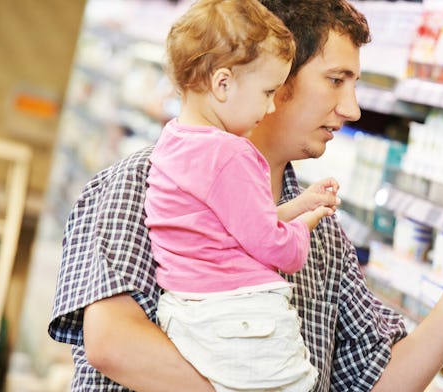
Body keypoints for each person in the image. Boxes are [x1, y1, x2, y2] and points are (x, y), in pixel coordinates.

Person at [48, 0, 443, 391]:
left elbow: (378, 378)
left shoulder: (317, 226)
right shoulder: (141, 184)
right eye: (336, 80)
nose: (352, 108)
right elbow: (113, 342)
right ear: (274, 77)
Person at [142, 1, 339, 391]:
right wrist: (309, 223)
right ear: (223, 83)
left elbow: (235, 225)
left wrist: (300, 204)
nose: (269, 108)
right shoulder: (232, 154)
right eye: (267, 92)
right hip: (242, 322)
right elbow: (279, 250)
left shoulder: (173, 143)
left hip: (188, 316)